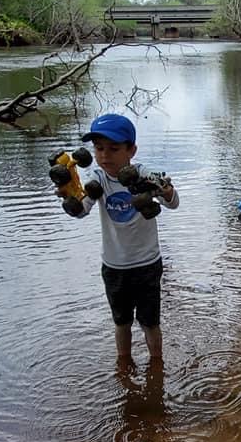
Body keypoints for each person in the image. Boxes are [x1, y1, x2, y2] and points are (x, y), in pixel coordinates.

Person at [57, 112, 179, 365]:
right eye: (99, 148)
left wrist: (165, 191)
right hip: (114, 267)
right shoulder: (97, 180)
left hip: (146, 264)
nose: (104, 155)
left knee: (150, 323)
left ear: (131, 150)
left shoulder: (144, 175)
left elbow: (174, 203)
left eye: (113, 149)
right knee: (121, 322)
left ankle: (157, 365)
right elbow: (83, 210)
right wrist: (69, 201)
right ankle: (123, 365)